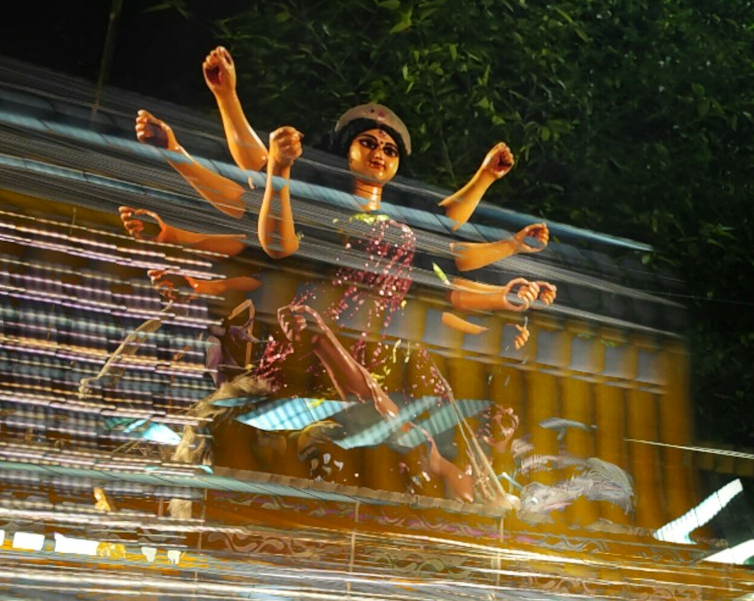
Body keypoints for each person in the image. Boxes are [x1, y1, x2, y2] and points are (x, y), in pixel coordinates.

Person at [121, 48, 557, 502]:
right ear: (345, 148)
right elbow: (256, 190)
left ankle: (469, 505)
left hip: (385, 355)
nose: (379, 153)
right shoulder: (318, 205)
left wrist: (500, 243)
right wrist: (222, 102)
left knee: (433, 437)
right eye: (368, 142)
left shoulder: (409, 225)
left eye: (389, 149)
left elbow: (450, 251)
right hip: (314, 344)